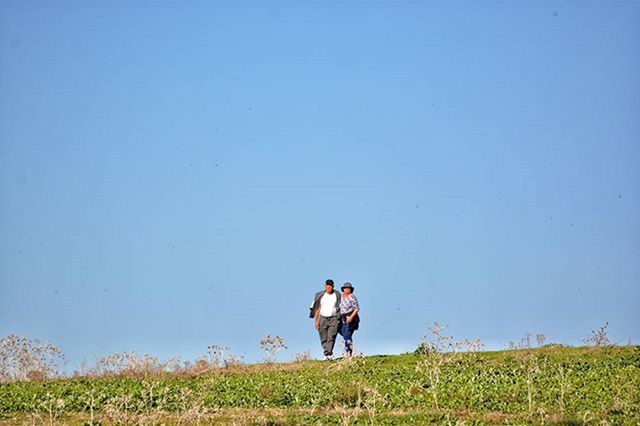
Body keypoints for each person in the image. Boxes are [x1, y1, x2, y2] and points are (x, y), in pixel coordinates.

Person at [309, 279, 341, 360]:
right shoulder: (320, 295)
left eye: (330, 285)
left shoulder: (337, 295)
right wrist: (316, 321)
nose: (329, 287)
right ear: (325, 286)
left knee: (331, 336)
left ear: (333, 286)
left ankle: (329, 354)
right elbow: (317, 309)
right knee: (323, 337)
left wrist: (339, 318)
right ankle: (326, 352)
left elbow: (341, 306)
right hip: (322, 318)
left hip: (334, 318)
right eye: (327, 285)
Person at [338, 282, 360, 357]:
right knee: (343, 333)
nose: (347, 289)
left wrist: (351, 317)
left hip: (350, 317)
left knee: (347, 334)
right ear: (343, 289)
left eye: (348, 288)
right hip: (341, 317)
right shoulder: (340, 297)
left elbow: (356, 308)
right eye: (345, 288)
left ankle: (349, 353)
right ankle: (348, 351)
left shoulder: (352, 297)